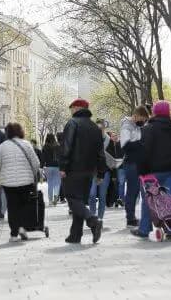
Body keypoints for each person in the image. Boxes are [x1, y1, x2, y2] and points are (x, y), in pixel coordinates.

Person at [130, 101, 171, 239]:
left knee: (150, 199)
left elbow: (144, 151)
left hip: (153, 171)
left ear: (154, 112)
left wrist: (141, 171)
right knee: (170, 198)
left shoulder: (149, 129)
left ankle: (144, 229)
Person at [60, 98, 107, 244]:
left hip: (73, 169)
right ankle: (75, 234)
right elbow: (101, 153)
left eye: (72, 107)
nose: (71, 110)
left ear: (77, 108)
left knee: (73, 199)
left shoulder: (72, 123)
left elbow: (66, 147)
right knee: (79, 201)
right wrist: (100, 173)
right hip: (89, 171)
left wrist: (63, 167)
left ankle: (93, 220)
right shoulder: (95, 127)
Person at [0, 123, 40, 242]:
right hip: (26, 182)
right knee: (24, 205)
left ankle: (14, 234)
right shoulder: (27, 144)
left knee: (12, 207)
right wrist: (34, 175)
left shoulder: (2, 146)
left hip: (9, 183)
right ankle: (22, 227)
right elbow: (36, 163)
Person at [119, 106, 150, 228]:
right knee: (133, 191)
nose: (143, 121)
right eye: (143, 119)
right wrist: (142, 143)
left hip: (138, 162)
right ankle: (130, 218)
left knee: (137, 191)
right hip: (131, 163)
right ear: (136, 115)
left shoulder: (137, 126)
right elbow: (125, 145)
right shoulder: (127, 126)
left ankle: (132, 217)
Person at [89, 119, 112, 222]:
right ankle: (93, 215)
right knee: (92, 194)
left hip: (105, 171)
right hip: (93, 171)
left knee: (102, 196)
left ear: (104, 127)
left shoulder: (109, 140)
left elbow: (112, 157)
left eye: (101, 127)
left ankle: (100, 218)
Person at [41, 133, 62, 205]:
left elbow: (43, 158)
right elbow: (60, 157)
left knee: (50, 184)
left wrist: (42, 166)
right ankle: (56, 194)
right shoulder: (57, 146)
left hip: (48, 167)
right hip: (57, 166)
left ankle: (50, 201)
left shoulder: (45, 147)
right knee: (57, 182)